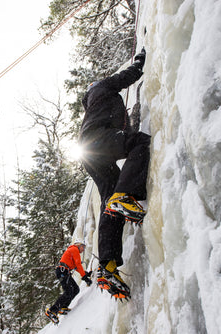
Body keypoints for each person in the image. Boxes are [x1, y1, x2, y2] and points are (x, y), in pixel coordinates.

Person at [79, 48, 150, 299]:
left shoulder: (94, 106)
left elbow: (122, 131)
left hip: (89, 151)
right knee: (140, 142)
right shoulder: (102, 88)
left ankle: (107, 266)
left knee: (109, 202)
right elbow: (126, 76)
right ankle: (126, 194)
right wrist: (140, 60)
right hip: (97, 142)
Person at [45, 241, 92, 324]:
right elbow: (78, 264)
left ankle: (63, 306)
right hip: (62, 271)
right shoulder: (74, 249)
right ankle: (52, 311)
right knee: (68, 291)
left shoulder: (73, 251)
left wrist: (85, 274)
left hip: (65, 272)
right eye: (83, 247)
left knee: (76, 289)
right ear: (78, 245)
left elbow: (76, 267)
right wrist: (84, 277)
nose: (83, 250)